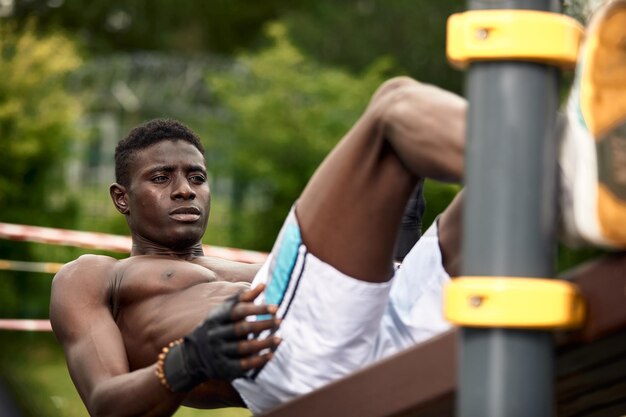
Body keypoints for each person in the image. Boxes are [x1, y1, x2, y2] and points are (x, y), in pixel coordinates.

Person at [49, 1, 626, 416]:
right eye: (162, 178)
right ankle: (574, 176)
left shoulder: (245, 269)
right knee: (393, 110)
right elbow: (104, 406)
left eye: (196, 177)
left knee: (507, 178)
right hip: (290, 359)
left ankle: (593, 171)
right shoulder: (95, 277)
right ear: (121, 199)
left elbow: (341, 296)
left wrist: (392, 243)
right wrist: (186, 363)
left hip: (388, 322)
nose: (185, 190)